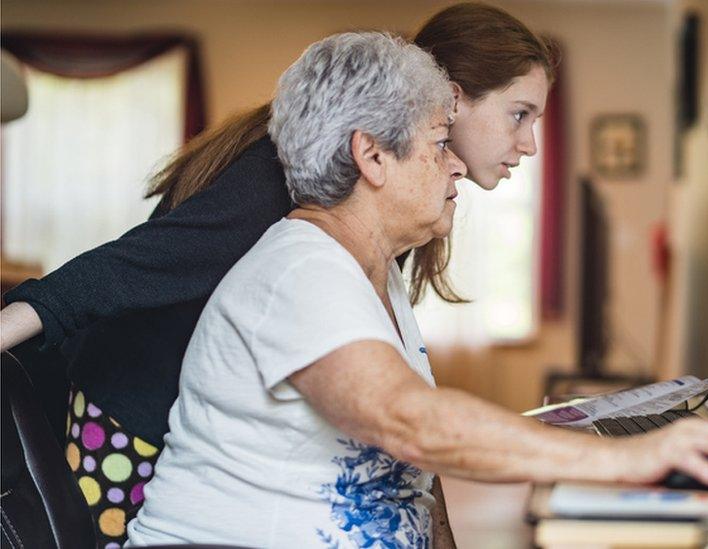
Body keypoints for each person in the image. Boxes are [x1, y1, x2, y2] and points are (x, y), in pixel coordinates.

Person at [126, 32, 708, 548]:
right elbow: (410, 421)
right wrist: (634, 460)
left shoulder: (372, 277)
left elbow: (413, 479)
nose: (457, 160)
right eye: (439, 143)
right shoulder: (301, 270)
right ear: (371, 156)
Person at [1, 4, 551, 546]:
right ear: (453, 98)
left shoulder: (400, 196)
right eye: (519, 114)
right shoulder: (291, 179)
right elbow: (127, 266)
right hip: (133, 416)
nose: (528, 143)